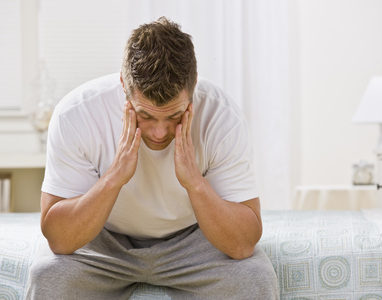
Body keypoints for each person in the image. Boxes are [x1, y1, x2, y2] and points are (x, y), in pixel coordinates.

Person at [26, 17, 279, 300]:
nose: (160, 132)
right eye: (145, 115)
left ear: (193, 87)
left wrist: (195, 183)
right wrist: (113, 178)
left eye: (174, 116)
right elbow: (59, 239)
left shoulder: (221, 117)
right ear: (124, 85)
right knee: (49, 276)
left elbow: (243, 244)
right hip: (103, 240)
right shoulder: (76, 113)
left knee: (254, 278)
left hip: (195, 238)